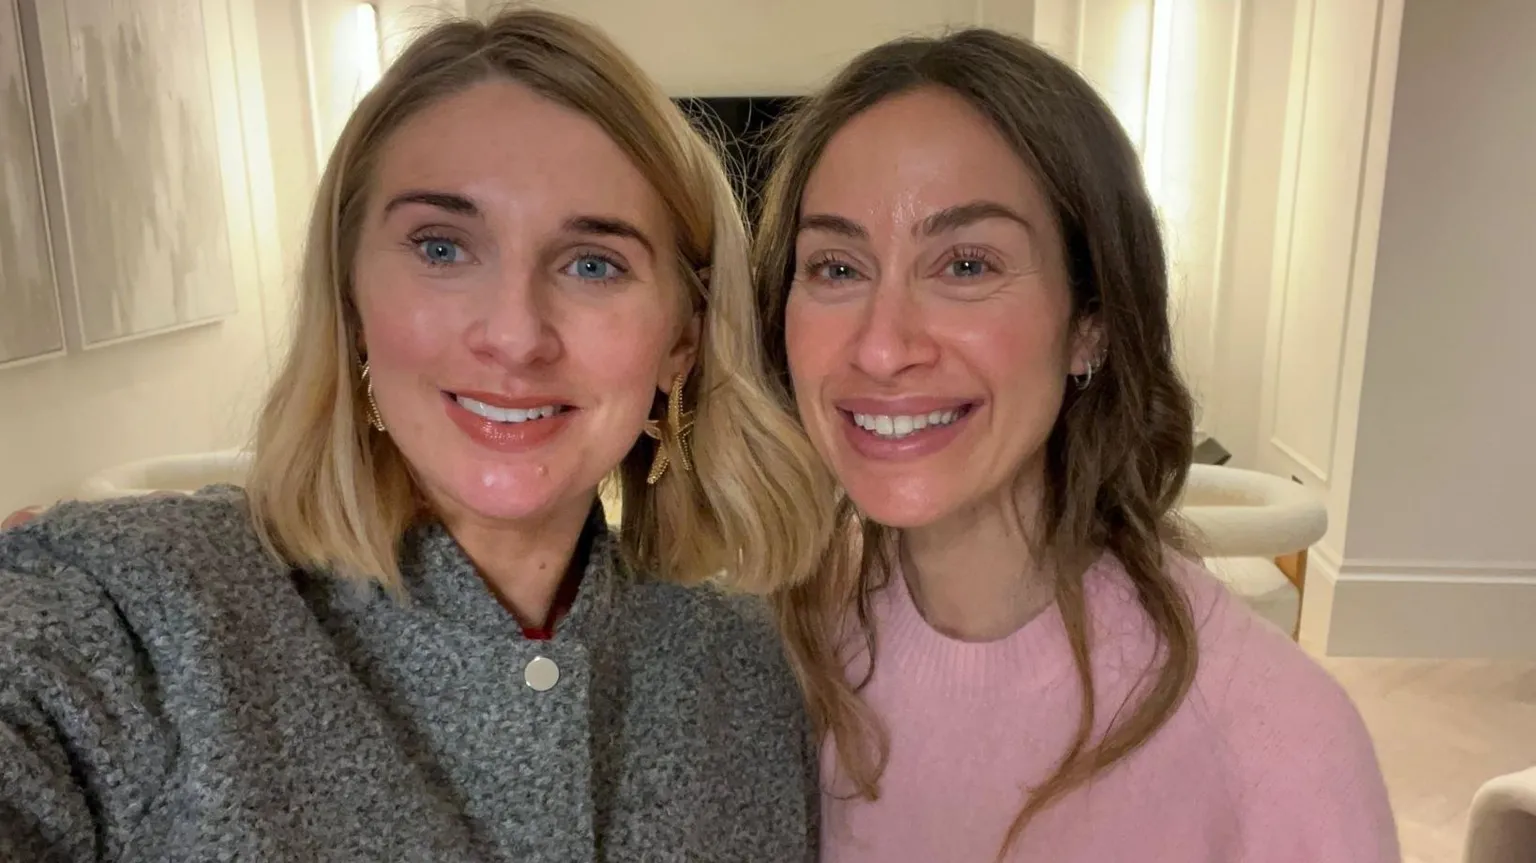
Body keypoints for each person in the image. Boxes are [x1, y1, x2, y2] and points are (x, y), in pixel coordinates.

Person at [0, 10, 832, 861]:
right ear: (352, 299)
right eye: (442, 247)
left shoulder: (752, 674)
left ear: (682, 339)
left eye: (593, 263)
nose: (514, 335)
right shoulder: (141, 618)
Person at [753, 28, 1399, 862]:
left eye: (967, 264)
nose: (882, 347)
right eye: (837, 267)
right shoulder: (773, 657)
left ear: (1089, 325)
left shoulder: (1279, 745)